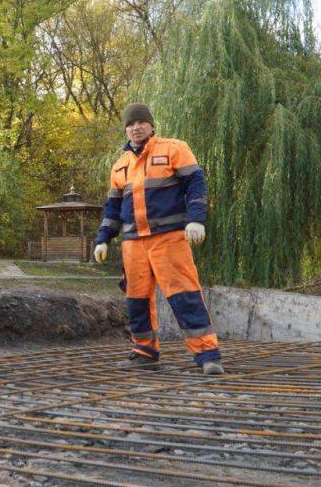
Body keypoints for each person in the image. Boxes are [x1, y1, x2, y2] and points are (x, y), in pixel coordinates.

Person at [93, 103, 224, 375]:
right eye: (130, 124)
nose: (135, 127)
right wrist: (103, 238)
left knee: (184, 295)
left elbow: (196, 185)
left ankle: (207, 355)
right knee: (136, 300)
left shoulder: (174, 148)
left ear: (151, 125)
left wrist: (196, 219)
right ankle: (144, 351)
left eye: (141, 122)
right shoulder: (120, 165)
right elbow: (112, 209)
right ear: (126, 130)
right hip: (133, 244)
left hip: (169, 239)